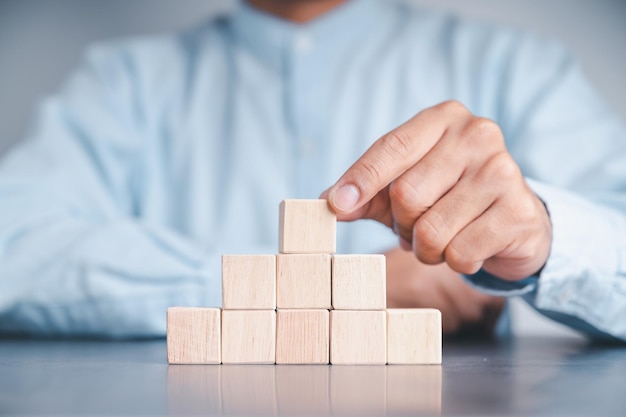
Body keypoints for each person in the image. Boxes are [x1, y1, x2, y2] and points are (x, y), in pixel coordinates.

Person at [0, 0, 624, 340]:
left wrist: (542, 237)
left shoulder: (520, 65)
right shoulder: (121, 82)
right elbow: (13, 246)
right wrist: (338, 291)